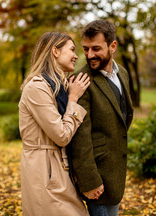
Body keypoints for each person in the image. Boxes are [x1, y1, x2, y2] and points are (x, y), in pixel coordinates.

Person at [19, 32, 90, 216]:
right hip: (44, 170)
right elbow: (61, 135)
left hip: (59, 168)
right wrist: (73, 99)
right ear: (55, 51)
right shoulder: (36, 87)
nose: (76, 55)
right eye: (72, 50)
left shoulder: (59, 85)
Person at [70, 19, 133, 216]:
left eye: (96, 48)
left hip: (115, 171)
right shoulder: (81, 81)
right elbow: (79, 138)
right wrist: (89, 181)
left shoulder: (122, 72)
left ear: (112, 46)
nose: (89, 55)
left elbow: (123, 116)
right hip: (97, 181)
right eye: (85, 49)